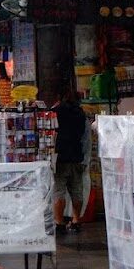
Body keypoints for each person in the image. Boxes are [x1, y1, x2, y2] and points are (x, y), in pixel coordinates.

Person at [52, 87, 88, 235]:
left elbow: (52, 133)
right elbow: (85, 135)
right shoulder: (81, 113)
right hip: (77, 155)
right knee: (77, 190)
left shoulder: (57, 111)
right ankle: (76, 221)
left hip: (61, 156)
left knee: (59, 190)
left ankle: (59, 222)